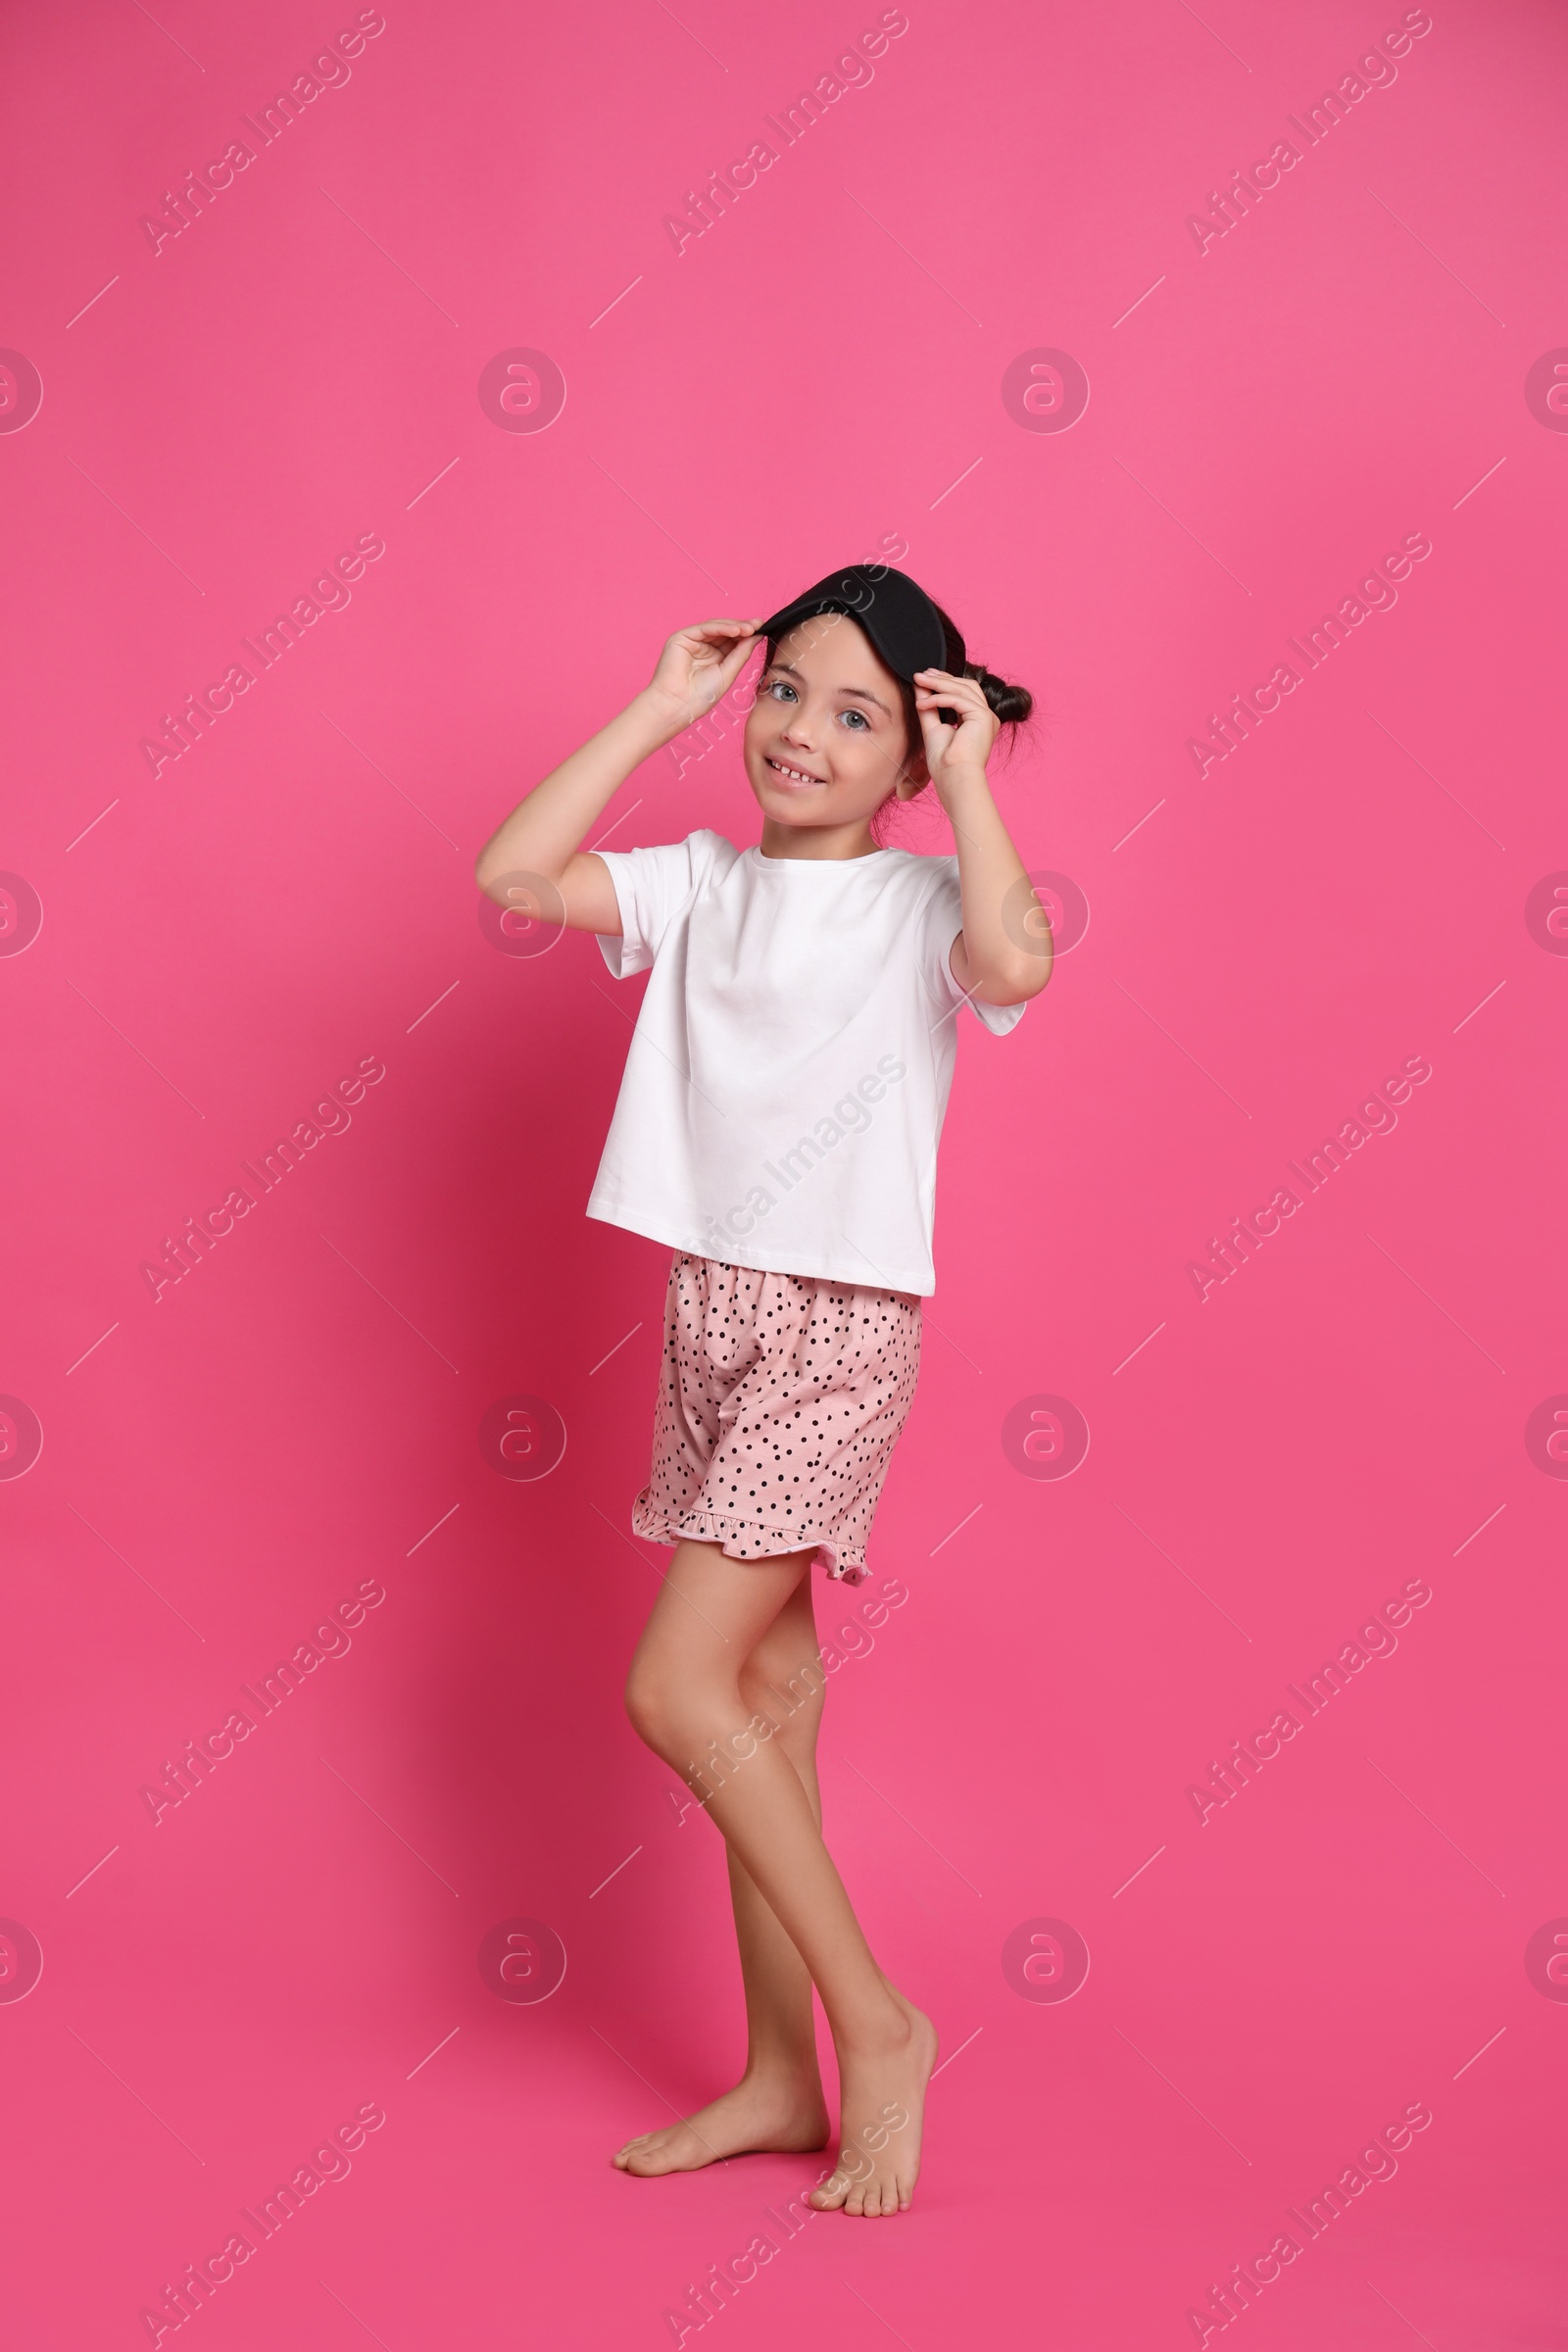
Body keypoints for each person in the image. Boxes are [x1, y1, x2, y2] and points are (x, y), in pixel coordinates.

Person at [475, 564, 1053, 2217]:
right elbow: (514, 869)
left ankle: (877, 2025)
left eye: (859, 713)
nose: (803, 731)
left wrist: (968, 789)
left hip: (836, 1325)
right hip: (709, 1309)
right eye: (786, 691)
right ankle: (782, 2074)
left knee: (677, 1692)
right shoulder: (702, 883)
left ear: (914, 752)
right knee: (770, 1713)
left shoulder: (922, 906)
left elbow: (1015, 964)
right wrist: (663, 701)